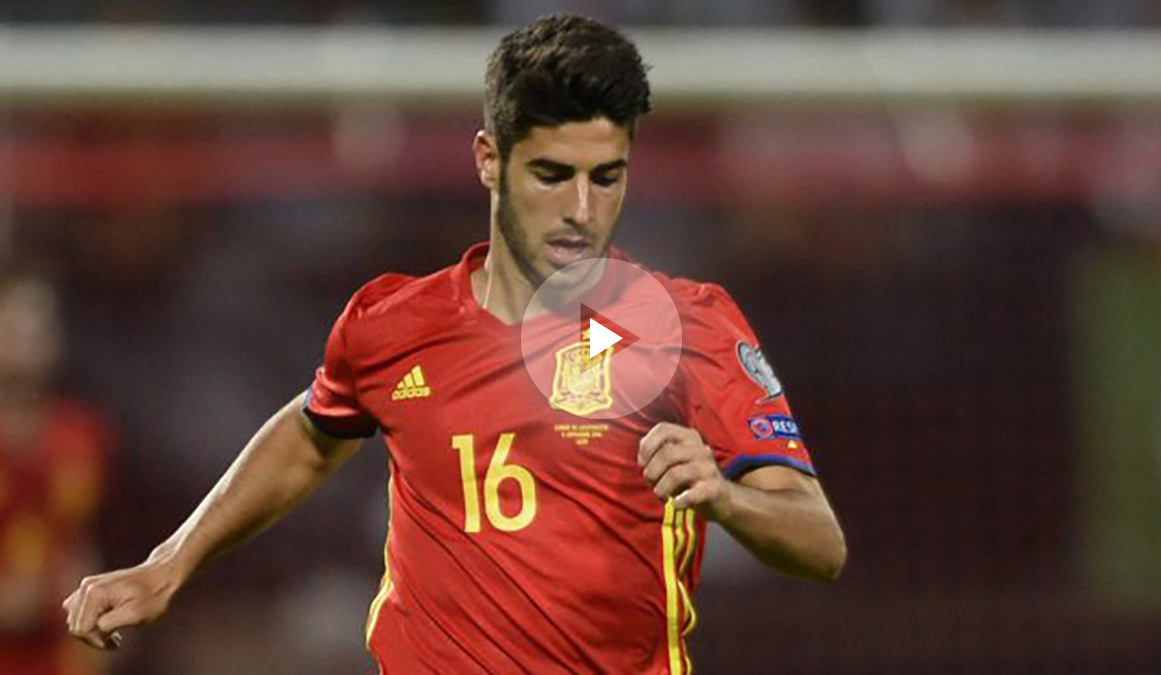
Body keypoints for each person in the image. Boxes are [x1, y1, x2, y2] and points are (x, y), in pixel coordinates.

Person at [63, 14, 846, 673]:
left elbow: (819, 541)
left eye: (606, 177)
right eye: (551, 174)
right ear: (488, 161)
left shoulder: (690, 325)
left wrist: (726, 497)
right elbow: (311, 433)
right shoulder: (392, 325)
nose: (581, 208)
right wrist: (170, 562)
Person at [0, 269, 112, 675]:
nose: (28, 345)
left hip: (58, 648)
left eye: (40, 330)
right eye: (14, 331)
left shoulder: (82, 435)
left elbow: (80, 536)